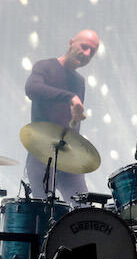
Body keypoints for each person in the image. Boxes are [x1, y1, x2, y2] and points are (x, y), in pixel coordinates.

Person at [24, 29, 100, 202]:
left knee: (83, 209)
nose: (87, 53)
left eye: (92, 52)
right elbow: (31, 88)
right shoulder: (45, 66)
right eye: (84, 46)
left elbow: (73, 120)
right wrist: (70, 97)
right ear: (71, 43)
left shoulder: (79, 81)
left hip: (69, 156)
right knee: (45, 209)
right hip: (41, 154)